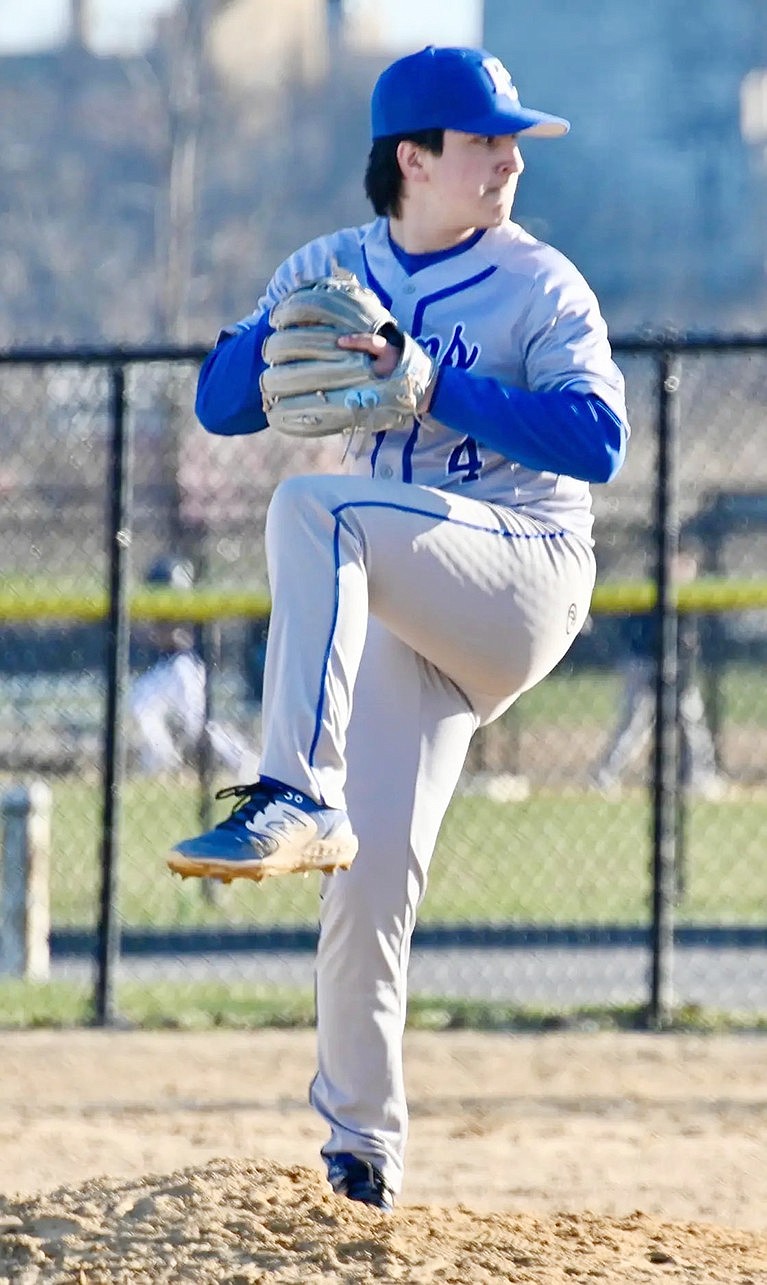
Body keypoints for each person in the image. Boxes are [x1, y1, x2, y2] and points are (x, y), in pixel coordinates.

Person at [168, 45, 630, 1210]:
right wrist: (275, 331)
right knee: (366, 884)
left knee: (316, 504)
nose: (508, 157)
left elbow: (597, 441)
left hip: (522, 574)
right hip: (400, 596)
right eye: (482, 141)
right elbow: (219, 405)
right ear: (411, 161)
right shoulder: (334, 266)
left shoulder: (541, 283)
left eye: (510, 139)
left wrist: (425, 385)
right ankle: (358, 1156)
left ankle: (293, 789)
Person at [589, 552, 725, 798]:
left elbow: (687, 643)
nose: (688, 571)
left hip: (679, 670)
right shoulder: (653, 591)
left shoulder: (688, 598)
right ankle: (604, 777)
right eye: (681, 565)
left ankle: (700, 778)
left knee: (694, 724)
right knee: (636, 724)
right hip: (644, 665)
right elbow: (643, 637)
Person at [131, 555, 257, 777]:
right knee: (141, 706)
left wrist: (166, 633)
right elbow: (155, 637)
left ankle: (244, 760)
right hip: (164, 670)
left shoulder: (190, 605)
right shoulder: (159, 608)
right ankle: (162, 762)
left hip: (185, 668)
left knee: (197, 722)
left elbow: (182, 641)